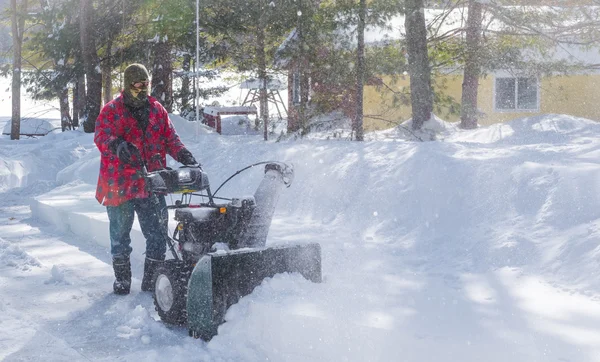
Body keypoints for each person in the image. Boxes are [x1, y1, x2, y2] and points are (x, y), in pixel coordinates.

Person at [94, 63, 198, 295]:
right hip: (120, 182)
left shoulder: (156, 109)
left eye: (146, 84)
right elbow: (101, 135)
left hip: (152, 180)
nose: (142, 89)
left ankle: (151, 280)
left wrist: (182, 154)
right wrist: (117, 145)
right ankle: (122, 280)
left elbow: (170, 137)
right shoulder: (112, 110)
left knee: (158, 232)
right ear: (127, 84)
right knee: (120, 234)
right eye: (137, 84)